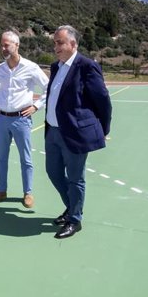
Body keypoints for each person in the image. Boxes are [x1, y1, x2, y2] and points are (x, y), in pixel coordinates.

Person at [44, 25, 112, 239]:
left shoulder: (87, 66)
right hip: (53, 132)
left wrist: (103, 129)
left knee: (75, 178)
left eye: (60, 42)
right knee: (53, 172)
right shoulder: (56, 67)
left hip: (74, 133)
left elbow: (103, 100)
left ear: (73, 44)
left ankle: (75, 219)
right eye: (55, 43)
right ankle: (72, 206)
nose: (56, 47)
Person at [0, 30, 48, 208]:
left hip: (22, 119)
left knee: (26, 159)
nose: (3, 48)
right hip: (2, 119)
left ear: (17, 45)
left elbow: (48, 87)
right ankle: (1, 190)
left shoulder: (31, 67)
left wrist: (36, 106)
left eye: (6, 45)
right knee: (1, 158)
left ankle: (28, 193)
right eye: (2, 45)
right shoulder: (0, 69)